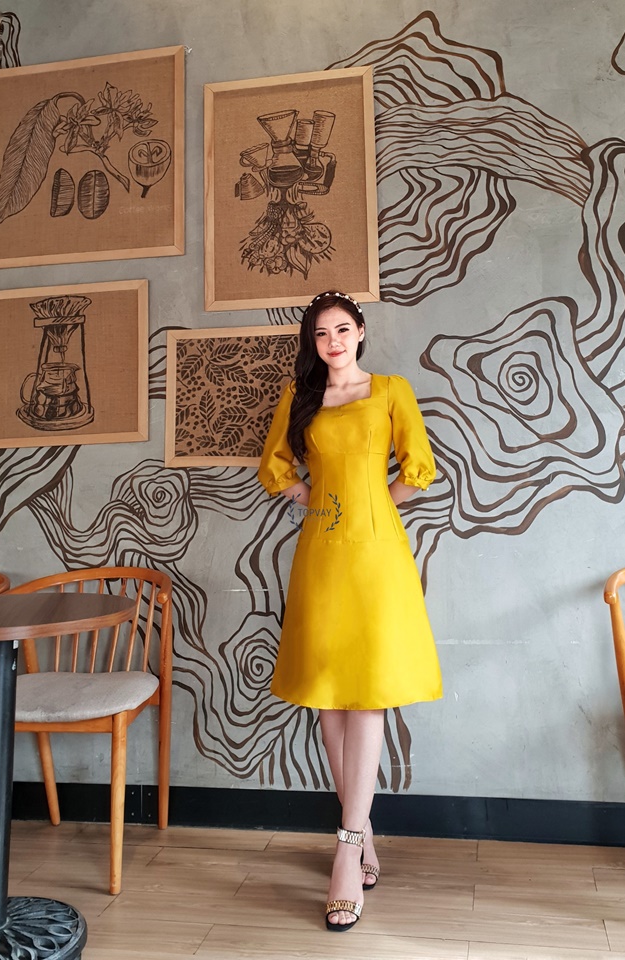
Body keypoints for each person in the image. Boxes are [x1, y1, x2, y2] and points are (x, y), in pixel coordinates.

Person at [257, 290, 442, 932]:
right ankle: (360, 834)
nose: (332, 341)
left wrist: (377, 503)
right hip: (321, 553)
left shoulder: (390, 390)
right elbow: (275, 465)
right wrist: (311, 495)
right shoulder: (299, 396)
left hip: (378, 555)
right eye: (320, 333)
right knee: (330, 698)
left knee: (367, 696)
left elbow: (418, 467)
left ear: (360, 331)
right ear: (312, 342)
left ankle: (346, 848)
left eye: (341, 329)